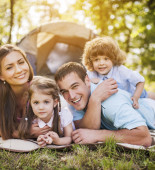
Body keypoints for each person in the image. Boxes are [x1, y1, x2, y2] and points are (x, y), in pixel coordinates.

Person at [55, 62, 155, 147]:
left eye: (75, 86)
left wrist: (98, 135)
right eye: (64, 91)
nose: (71, 96)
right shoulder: (74, 101)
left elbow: (145, 138)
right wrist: (94, 100)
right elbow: (83, 128)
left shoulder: (111, 102)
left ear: (87, 80)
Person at [82, 36, 155, 109]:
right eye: (96, 60)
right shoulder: (91, 74)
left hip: (135, 93)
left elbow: (140, 81)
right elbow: (85, 86)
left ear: (113, 58)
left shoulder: (120, 70)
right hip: (119, 99)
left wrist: (135, 98)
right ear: (91, 61)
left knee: (149, 95)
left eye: (106, 59)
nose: (101, 63)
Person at [0, 44, 50, 140]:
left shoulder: (41, 89)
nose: (19, 70)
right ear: (1, 76)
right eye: (9, 67)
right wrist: (24, 133)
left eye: (21, 62)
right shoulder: (2, 95)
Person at [18, 76, 73, 146]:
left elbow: (69, 138)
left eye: (46, 102)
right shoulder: (32, 119)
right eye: (36, 102)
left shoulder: (64, 115)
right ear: (30, 103)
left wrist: (58, 141)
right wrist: (41, 139)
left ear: (55, 102)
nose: (41, 107)